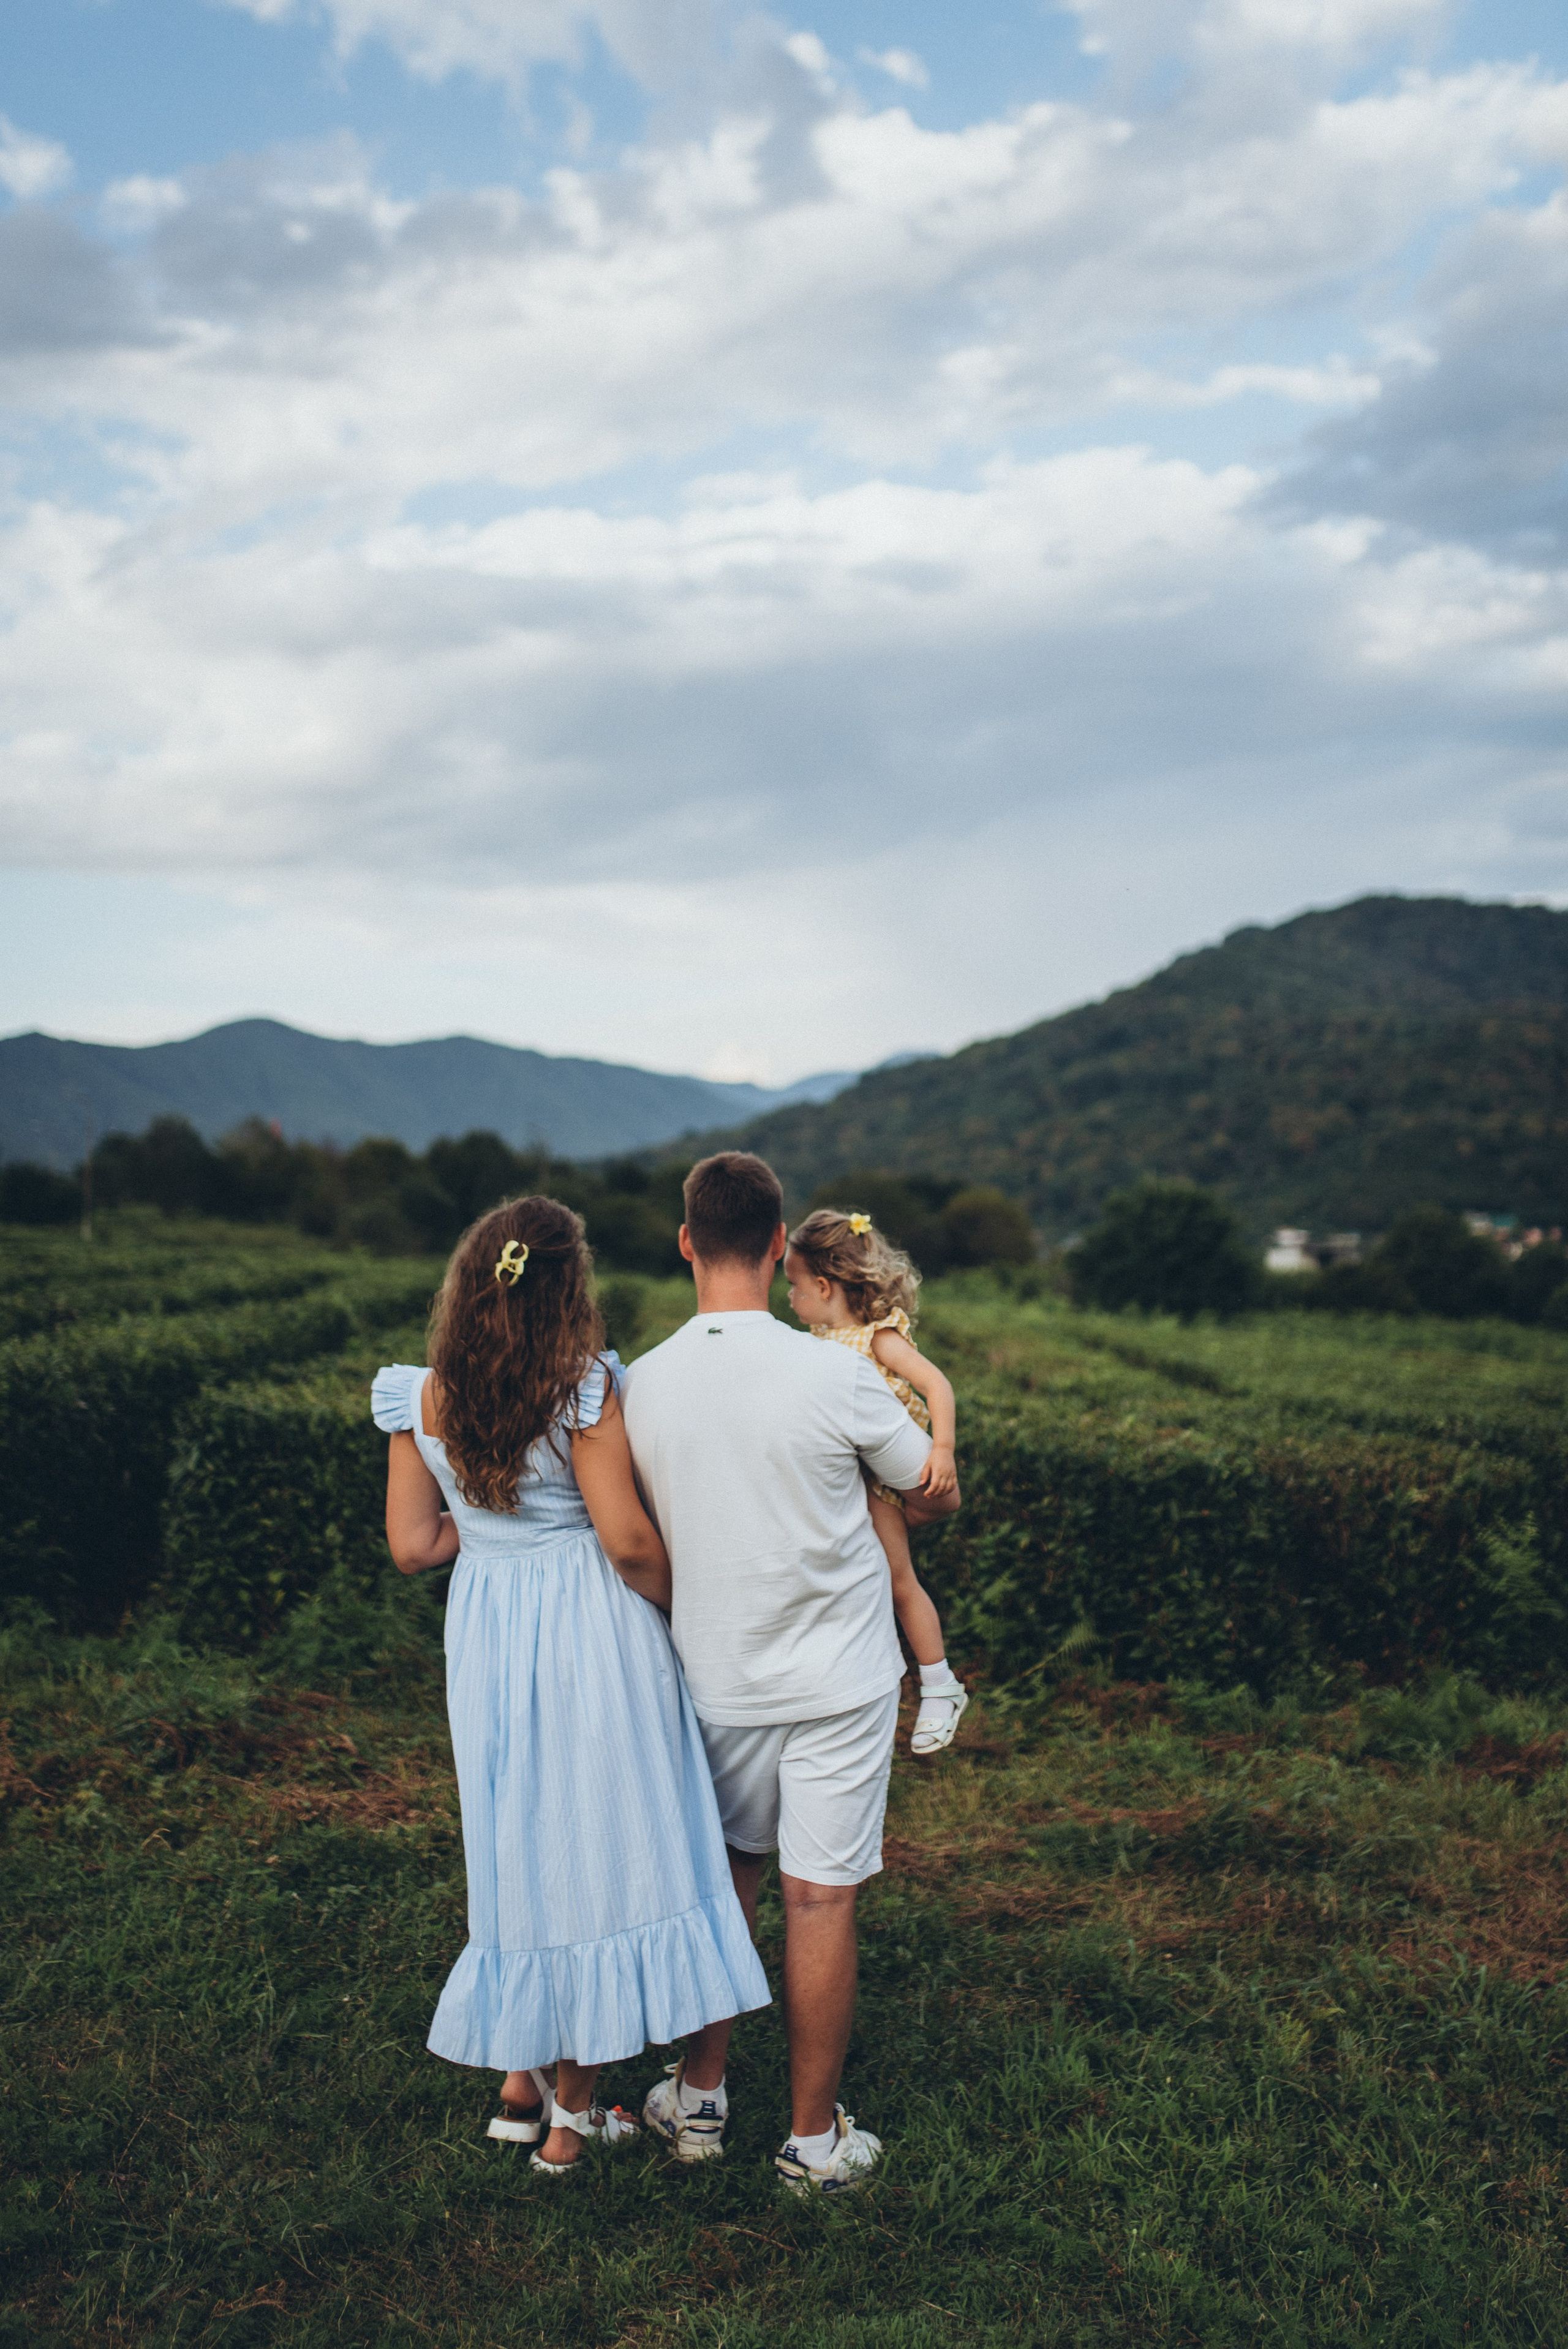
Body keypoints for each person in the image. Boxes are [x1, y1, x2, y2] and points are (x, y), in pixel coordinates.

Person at [372, 1196, 769, 2177]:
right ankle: (573, 2117)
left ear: (470, 1281)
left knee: (516, 1837)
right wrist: (690, 1612)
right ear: (571, 1288)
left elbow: (414, 1544)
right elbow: (629, 1541)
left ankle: (519, 2083)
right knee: (596, 1842)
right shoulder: (583, 1387)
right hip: (592, 1627)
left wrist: (498, 1523)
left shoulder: (421, 1396)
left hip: (490, 1631)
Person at [622, 1152, 961, 2192]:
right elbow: (932, 1494)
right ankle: (813, 2144)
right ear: (779, 1249)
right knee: (820, 1900)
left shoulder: (637, 1385)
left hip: (713, 1678)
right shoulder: (841, 1376)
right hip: (842, 1684)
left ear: (686, 1244)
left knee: (726, 1882)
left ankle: (702, 2095)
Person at [782, 1207, 968, 1755]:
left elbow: (938, 1385)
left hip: (881, 1481)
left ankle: (939, 1685)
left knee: (897, 1578)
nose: (788, 1298)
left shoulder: (876, 1338)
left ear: (822, 1285)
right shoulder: (816, 1341)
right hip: (844, 1474)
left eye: (793, 1286)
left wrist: (943, 1448)